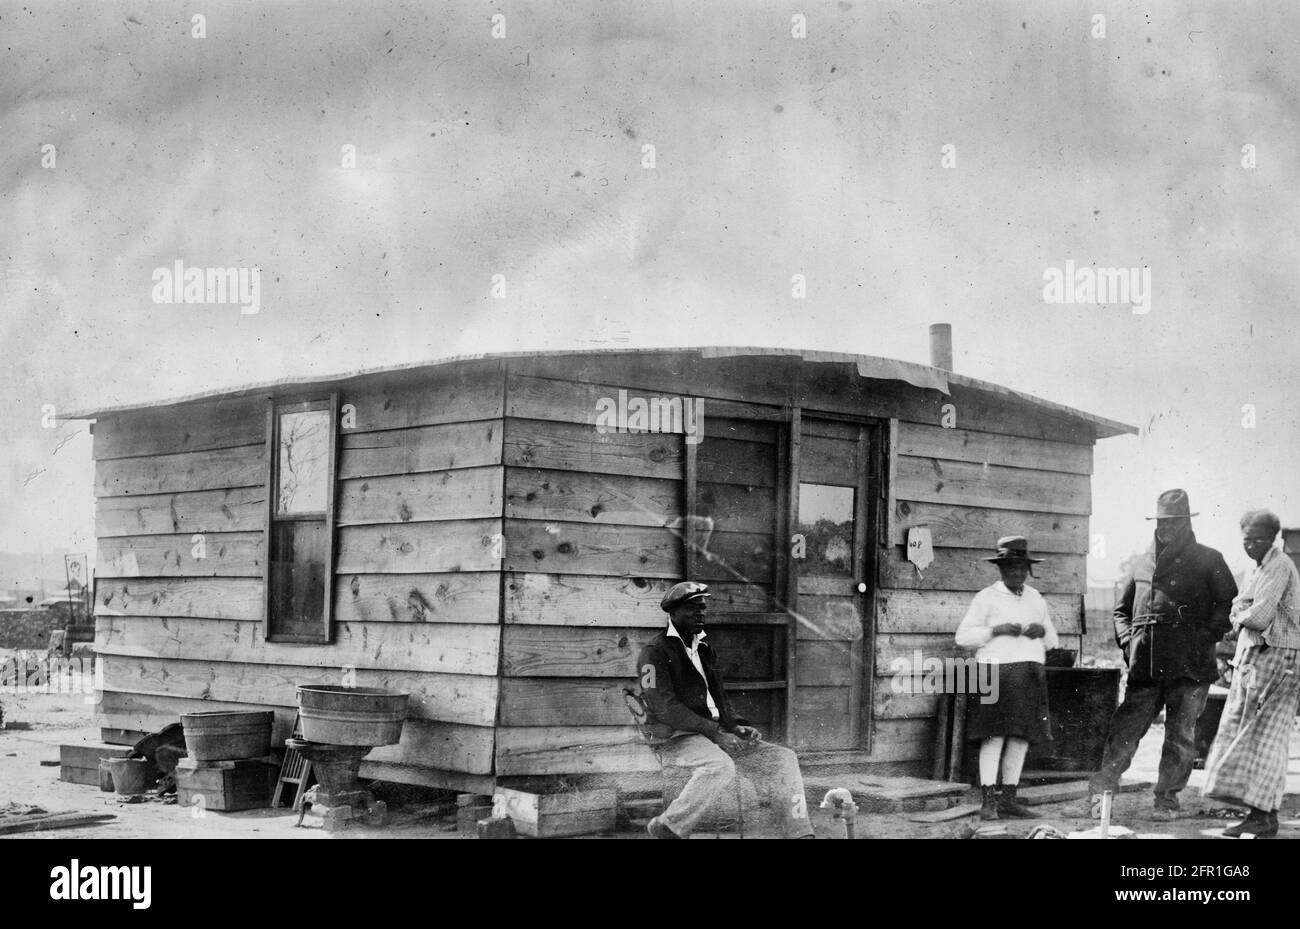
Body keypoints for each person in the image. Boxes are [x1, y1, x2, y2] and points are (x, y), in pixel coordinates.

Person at [1064, 489, 1237, 821]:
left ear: (1186, 522)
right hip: (1146, 665)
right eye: (1161, 521)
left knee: (1180, 737)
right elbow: (1120, 611)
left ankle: (1167, 800)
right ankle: (1100, 798)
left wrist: (1203, 638)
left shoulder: (1209, 559)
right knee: (1124, 731)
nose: (1165, 527)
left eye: (1173, 521)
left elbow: (1226, 604)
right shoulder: (1142, 562)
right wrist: (1129, 644)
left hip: (1190, 667)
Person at [638, 581, 814, 839]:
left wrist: (735, 725)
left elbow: (718, 697)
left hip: (714, 734)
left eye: (703, 608)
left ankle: (801, 834)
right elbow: (664, 708)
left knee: (783, 758)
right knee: (719, 766)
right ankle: (668, 827)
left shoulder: (705, 649)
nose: (700, 614)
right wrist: (717, 733)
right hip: (675, 738)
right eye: (692, 608)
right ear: (673, 613)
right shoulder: (653, 653)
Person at [1201, 509, 1300, 837]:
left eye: (1259, 539)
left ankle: (1262, 816)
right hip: (1258, 656)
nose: (1252, 545)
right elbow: (1239, 605)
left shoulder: (1279, 565)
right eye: (1247, 539)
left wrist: (1240, 613)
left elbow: (1256, 616)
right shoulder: (1259, 567)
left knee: (1265, 737)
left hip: (1277, 658)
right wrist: (1241, 611)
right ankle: (1263, 816)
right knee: (1252, 733)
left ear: (1273, 539)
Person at [955, 536, 1059, 820]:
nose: (1017, 573)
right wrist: (995, 630)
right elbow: (962, 636)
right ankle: (989, 801)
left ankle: (1008, 799)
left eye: (1022, 568)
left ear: (1028, 569)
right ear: (1000, 569)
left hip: (1028, 675)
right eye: (1011, 567)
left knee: (1020, 738)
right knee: (993, 737)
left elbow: (1052, 639)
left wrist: (1041, 631)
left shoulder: (1035, 598)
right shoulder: (986, 597)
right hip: (995, 672)